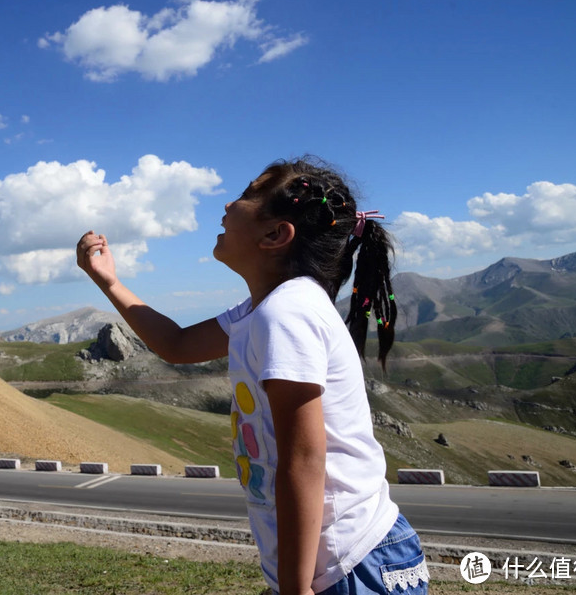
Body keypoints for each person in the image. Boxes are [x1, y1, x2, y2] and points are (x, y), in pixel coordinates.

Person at [75, 156, 428, 595]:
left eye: (247, 194)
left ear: (276, 234)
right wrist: (108, 280)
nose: (227, 204)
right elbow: (178, 345)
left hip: (350, 561)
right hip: (336, 562)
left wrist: (295, 589)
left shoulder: (287, 311)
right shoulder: (265, 309)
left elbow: (304, 460)